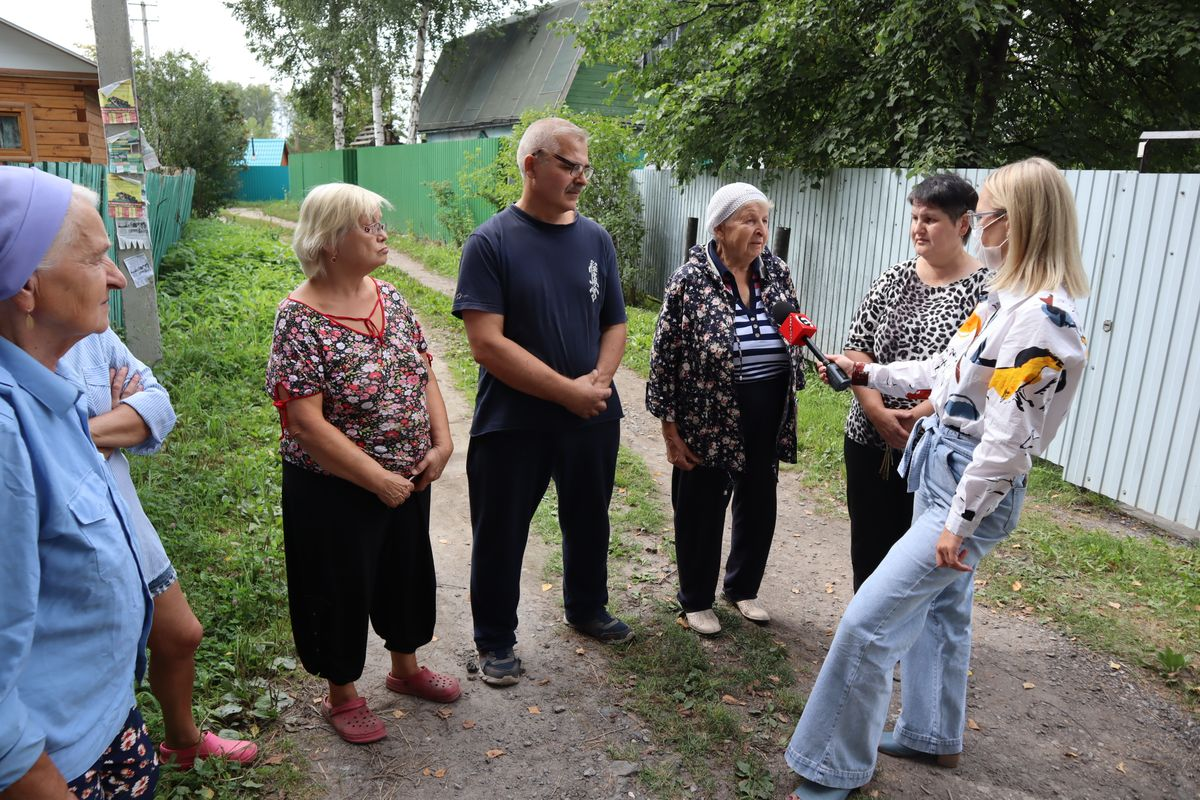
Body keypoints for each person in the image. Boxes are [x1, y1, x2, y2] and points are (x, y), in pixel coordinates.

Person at [784, 157, 1090, 800]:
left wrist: (961, 521)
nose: (979, 223)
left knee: (867, 623)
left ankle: (830, 769)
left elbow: (1008, 440)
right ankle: (930, 734)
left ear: (1018, 222)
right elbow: (947, 371)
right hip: (941, 460)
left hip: (966, 484)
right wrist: (868, 373)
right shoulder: (1006, 299)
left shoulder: (1042, 318)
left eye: (989, 213)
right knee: (945, 612)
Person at [265, 182, 459, 745]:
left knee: (406, 573)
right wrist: (376, 480)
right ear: (329, 241)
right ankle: (342, 693)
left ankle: (405, 669)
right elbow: (304, 421)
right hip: (334, 487)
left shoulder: (391, 297)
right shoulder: (297, 318)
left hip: (408, 476)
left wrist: (442, 444)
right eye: (369, 225)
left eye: (381, 222)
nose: (383, 234)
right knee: (337, 584)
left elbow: (422, 372)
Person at [453, 117, 631, 687]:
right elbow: (486, 343)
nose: (580, 178)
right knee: (502, 532)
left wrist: (598, 383)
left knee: (589, 519)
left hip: (592, 417)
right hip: (514, 422)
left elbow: (616, 323)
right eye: (568, 165)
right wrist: (568, 392)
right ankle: (496, 641)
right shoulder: (491, 242)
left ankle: (585, 608)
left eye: (585, 167)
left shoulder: (596, 239)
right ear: (532, 164)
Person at [0, 166, 156, 797]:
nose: (117, 276)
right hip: (60, 765)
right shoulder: (7, 430)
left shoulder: (50, 391)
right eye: (96, 260)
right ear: (29, 289)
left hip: (104, 721)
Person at [60, 330, 259, 769]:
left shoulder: (92, 334)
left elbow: (157, 404)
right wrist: (110, 425)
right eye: (95, 259)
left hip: (123, 515)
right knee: (90, 666)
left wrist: (74, 433)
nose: (114, 276)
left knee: (180, 634)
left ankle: (183, 742)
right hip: (62, 535)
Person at [645, 182, 806, 636]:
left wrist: (803, 352)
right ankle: (695, 599)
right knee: (700, 508)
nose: (760, 230)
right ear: (720, 228)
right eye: (749, 220)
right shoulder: (689, 280)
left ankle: (742, 588)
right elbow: (663, 358)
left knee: (759, 501)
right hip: (708, 414)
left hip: (768, 408)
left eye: (764, 221)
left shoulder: (776, 271)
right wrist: (670, 430)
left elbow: (791, 328)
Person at [842, 174, 989, 590]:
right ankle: (868, 629)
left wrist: (917, 416)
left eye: (931, 219)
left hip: (937, 447)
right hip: (869, 436)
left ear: (963, 224)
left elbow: (974, 377)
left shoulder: (985, 292)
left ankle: (912, 640)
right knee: (868, 542)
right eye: (914, 217)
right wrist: (876, 412)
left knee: (919, 556)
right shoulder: (893, 278)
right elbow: (857, 347)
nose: (918, 228)